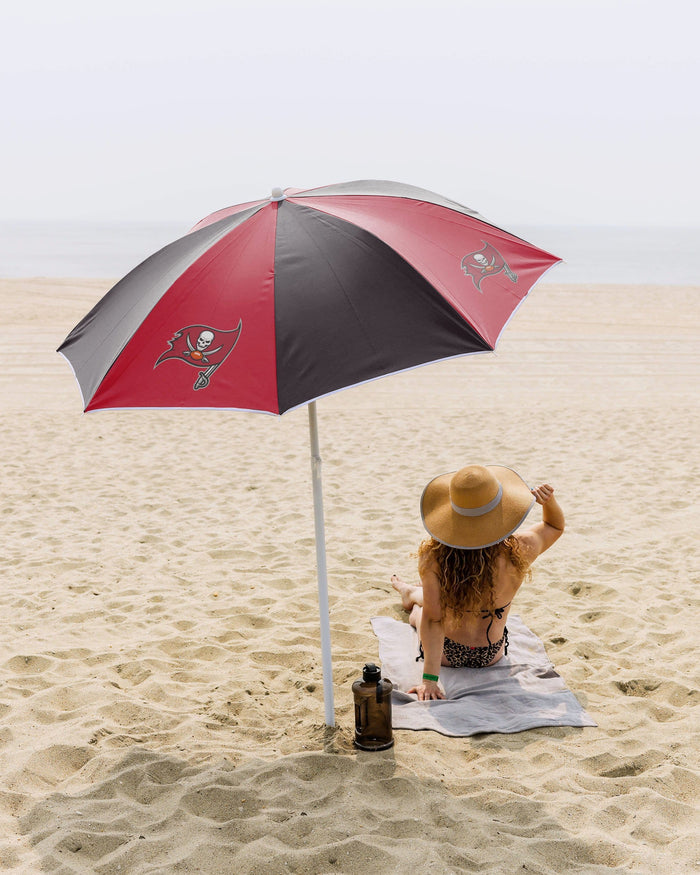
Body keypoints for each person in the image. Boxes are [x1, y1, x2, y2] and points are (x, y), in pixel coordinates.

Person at [391, 464, 565, 701]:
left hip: (446, 655)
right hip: (491, 654)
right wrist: (549, 502)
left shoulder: (435, 558)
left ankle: (410, 594)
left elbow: (434, 620)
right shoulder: (520, 550)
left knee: (422, 613)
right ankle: (412, 592)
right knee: (434, 604)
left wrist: (429, 681)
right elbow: (554, 526)